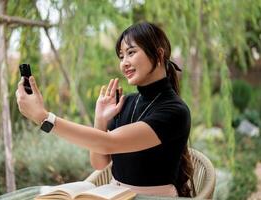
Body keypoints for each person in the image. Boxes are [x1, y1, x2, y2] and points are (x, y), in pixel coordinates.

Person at [16, 22, 195, 197]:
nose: (124, 63)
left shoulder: (174, 112)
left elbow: (108, 143)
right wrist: (100, 120)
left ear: (158, 54)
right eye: (121, 56)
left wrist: (44, 118)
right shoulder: (126, 102)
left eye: (131, 53)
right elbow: (100, 163)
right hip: (114, 194)